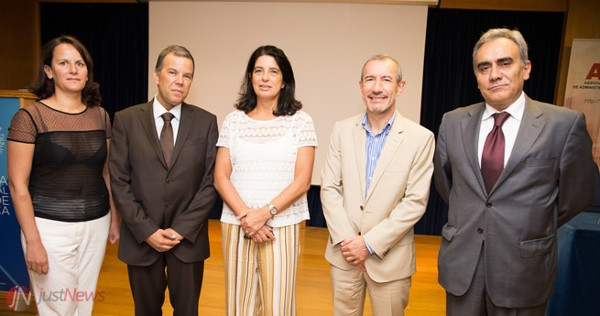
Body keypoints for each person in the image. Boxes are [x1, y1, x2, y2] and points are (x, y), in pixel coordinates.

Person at [434, 28, 597, 315]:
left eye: (504, 63)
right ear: (477, 76)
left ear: (527, 68)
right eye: (484, 67)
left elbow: (578, 195)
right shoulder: (453, 122)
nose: (494, 74)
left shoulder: (563, 124)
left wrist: (532, 224)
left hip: (523, 269)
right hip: (463, 267)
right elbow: (448, 186)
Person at [7, 35, 120, 315]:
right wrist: (33, 241)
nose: (73, 69)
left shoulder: (101, 116)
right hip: (48, 229)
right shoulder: (29, 118)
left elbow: (106, 172)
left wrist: (115, 218)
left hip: (97, 223)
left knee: (84, 304)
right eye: (64, 63)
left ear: (87, 71)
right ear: (49, 71)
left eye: (79, 63)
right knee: (58, 306)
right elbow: (17, 185)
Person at [320, 54, 435, 316]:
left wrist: (368, 243)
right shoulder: (341, 130)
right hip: (344, 255)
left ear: (400, 87)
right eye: (370, 79)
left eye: (386, 79)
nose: (377, 88)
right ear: (361, 86)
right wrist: (350, 243)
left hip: (390, 260)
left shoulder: (421, 138)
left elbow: (415, 202)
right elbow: (329, 188)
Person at [109, 45, 218, 316]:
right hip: (141, 239)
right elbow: (120, 181)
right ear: (157, 75)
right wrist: (146, 231)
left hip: (188, 240)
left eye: (188, 75)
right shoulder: (126, 120)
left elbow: (210, 182)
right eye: (172, 72)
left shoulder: (206, 122)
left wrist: (181, 229)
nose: (180, 81)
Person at [214, 45, 317, 316]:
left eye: (273, 71)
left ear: (284, 81)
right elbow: (221, 176)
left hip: (281, 225)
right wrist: (247, 217)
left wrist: (265, 214)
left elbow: (302, 181)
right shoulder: (233, 121)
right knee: (239, 307)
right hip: (238, 224)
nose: (265, 77)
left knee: (278, 307)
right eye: (258, 70)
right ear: (250, 77)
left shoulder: (301, 121)